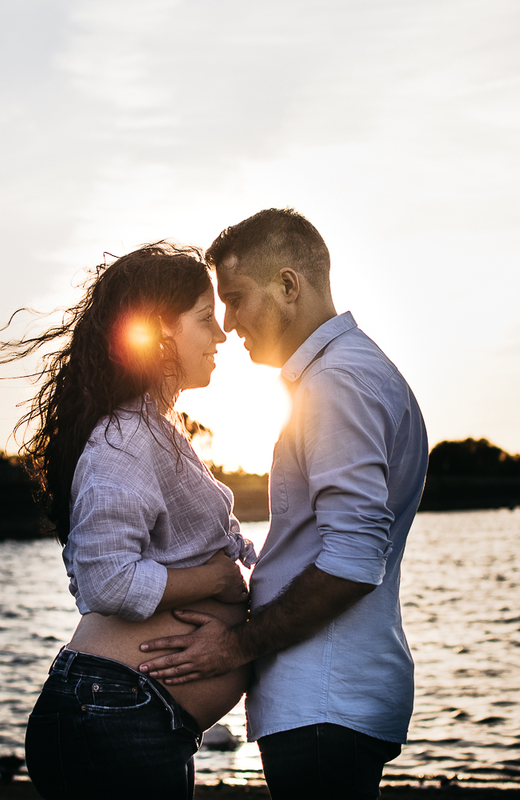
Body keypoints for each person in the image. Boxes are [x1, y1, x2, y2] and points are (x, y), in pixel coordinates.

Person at [138, 209, 429, 800]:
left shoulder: (337, 383)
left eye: (237, 298)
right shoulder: (351, 373)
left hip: (324, 703)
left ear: (289, 285)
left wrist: (235, 645)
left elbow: (353, 559)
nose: (227, 323)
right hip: (329, 700)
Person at [0, 243, 256, 799]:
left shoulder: (152, 431)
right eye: (205, 318)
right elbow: (106, 580)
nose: (221, 335)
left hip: (122, 711)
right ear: (160, 330)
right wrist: (220, 581)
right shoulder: (124, 438)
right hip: (113, 711)